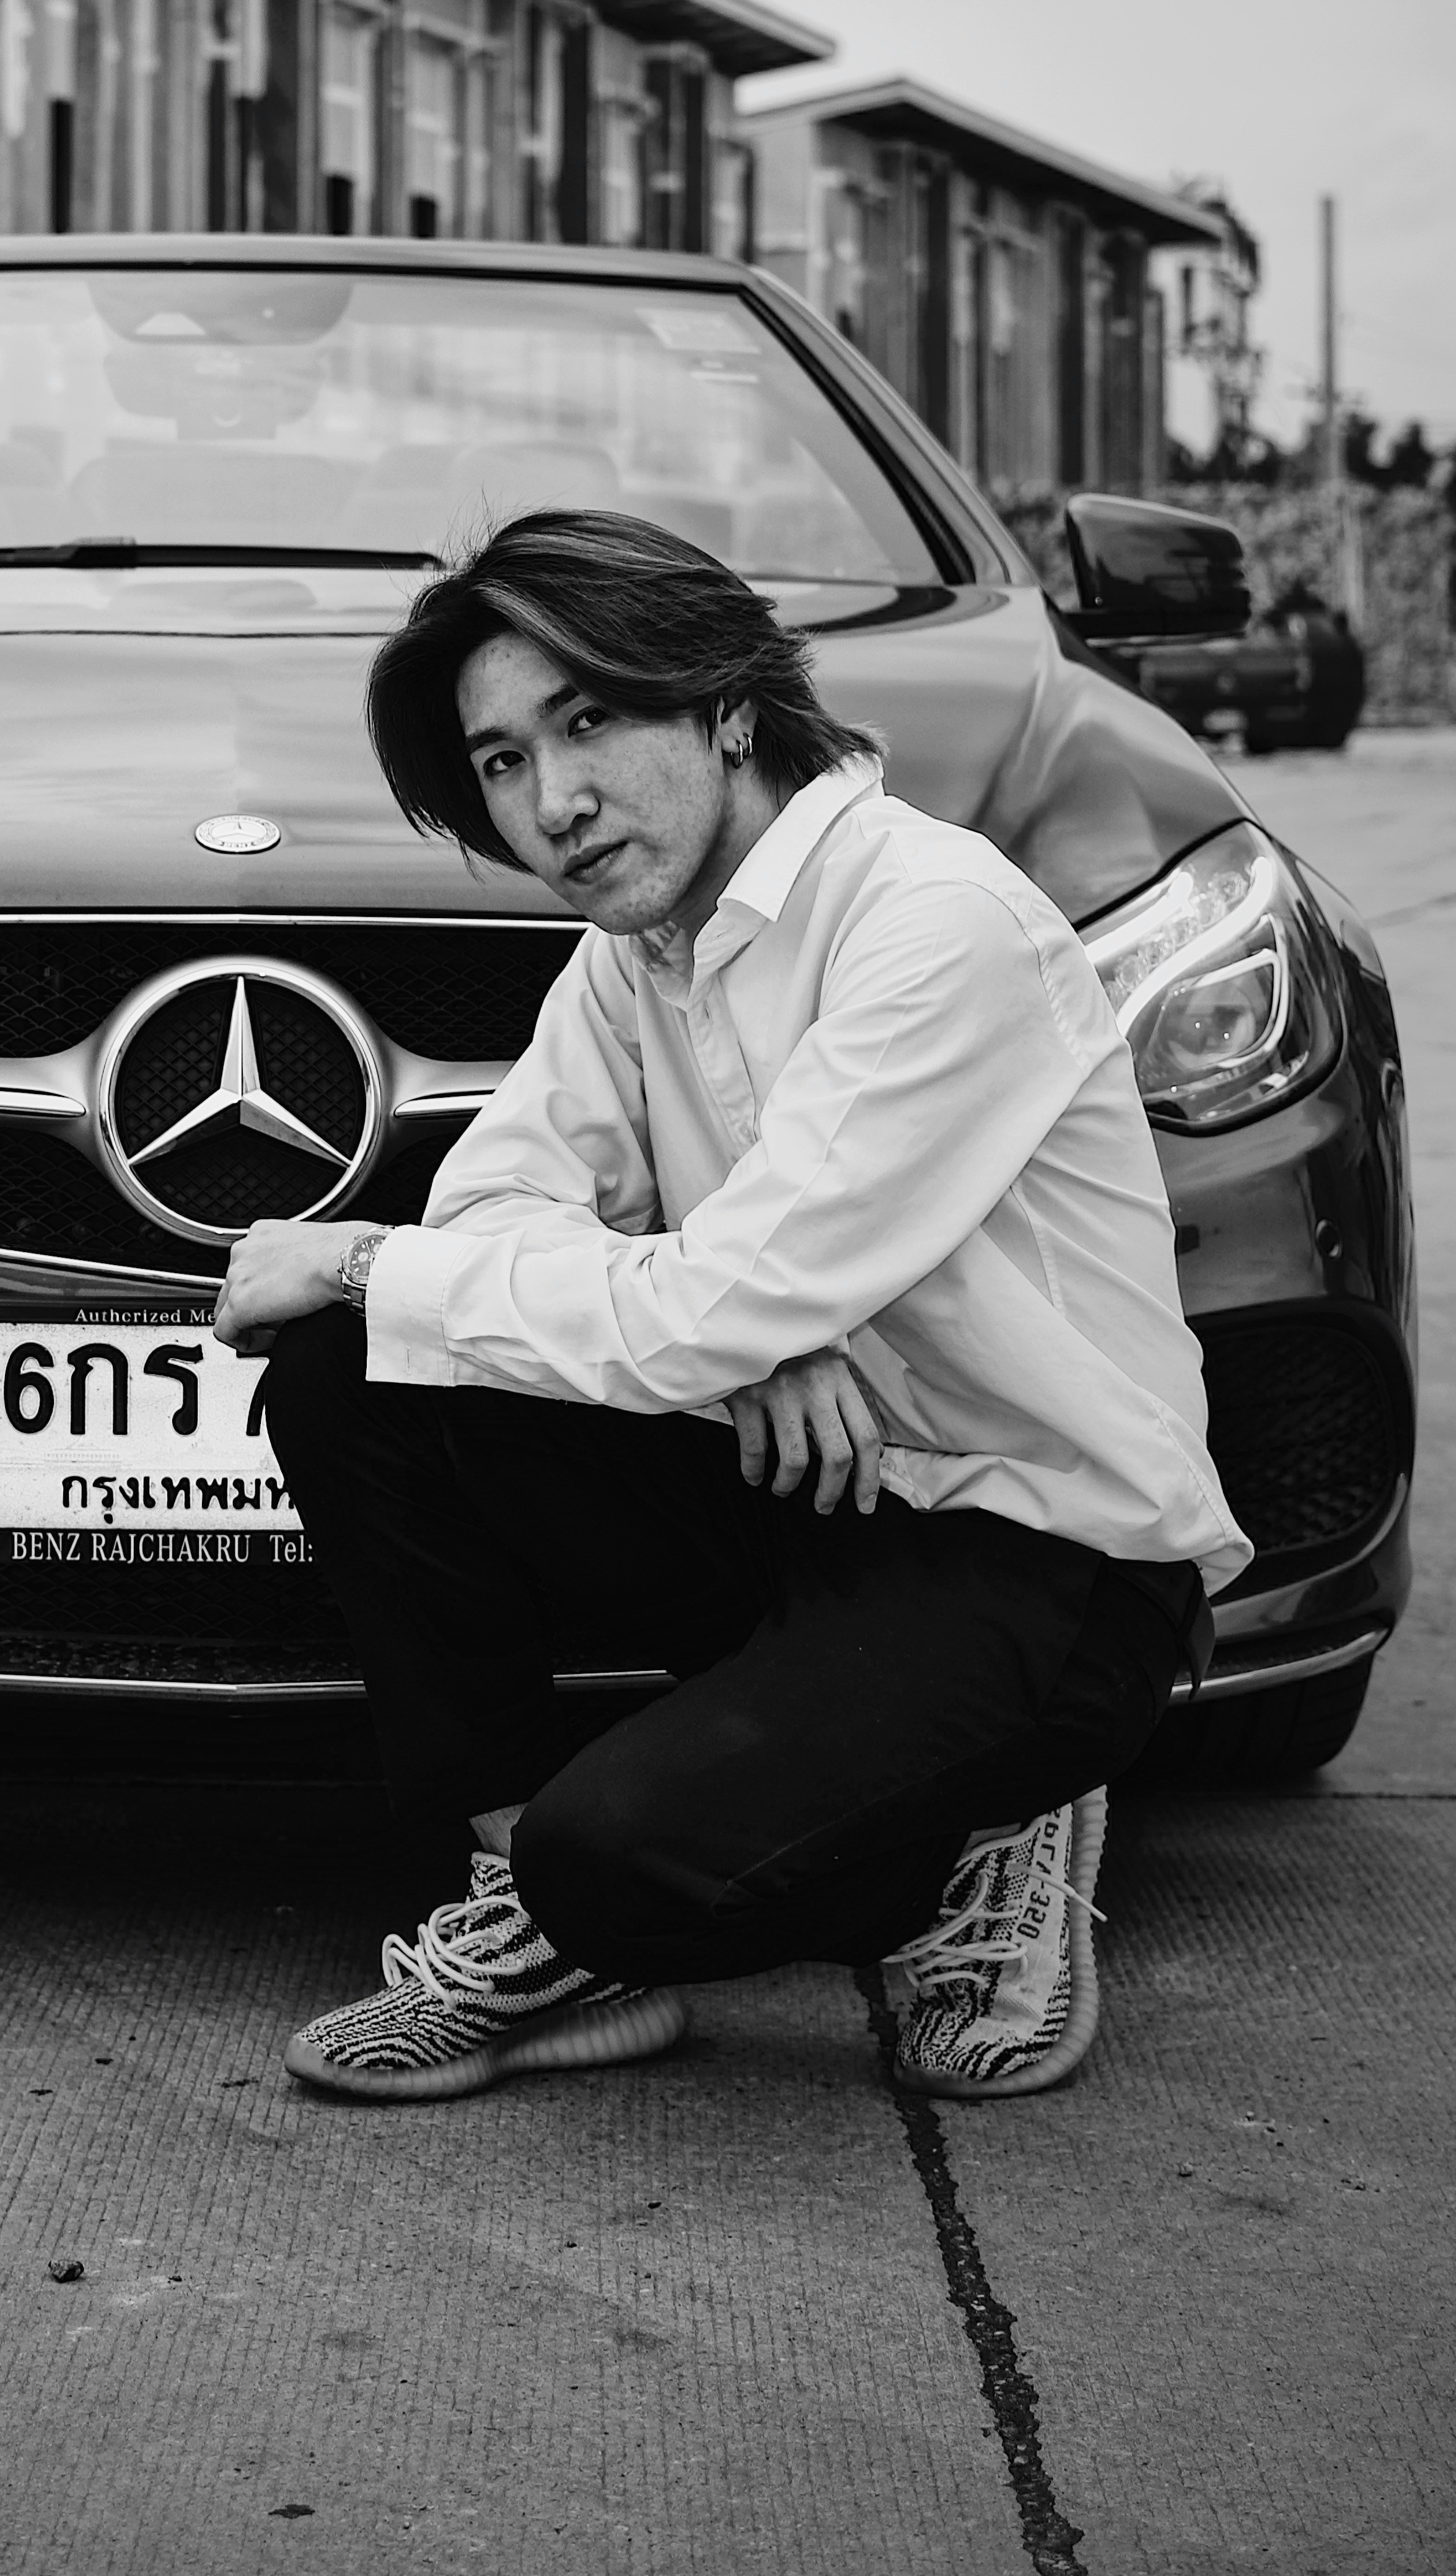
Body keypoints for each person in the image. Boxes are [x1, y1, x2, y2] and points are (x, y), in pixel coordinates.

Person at [211, 510, 1249, 2106]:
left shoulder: (930, 920)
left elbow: (673, 1294)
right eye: (499, 762)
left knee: (621, 1856)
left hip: (1035, 1548)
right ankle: (528, 1924)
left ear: (727, 707)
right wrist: (766, 1341)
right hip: (796, 1488)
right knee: (355, 1369)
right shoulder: (641, 955)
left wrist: (364, 1252)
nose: (552, 801)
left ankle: (992, 1829)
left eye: (588, 722)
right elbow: (505, 1205)